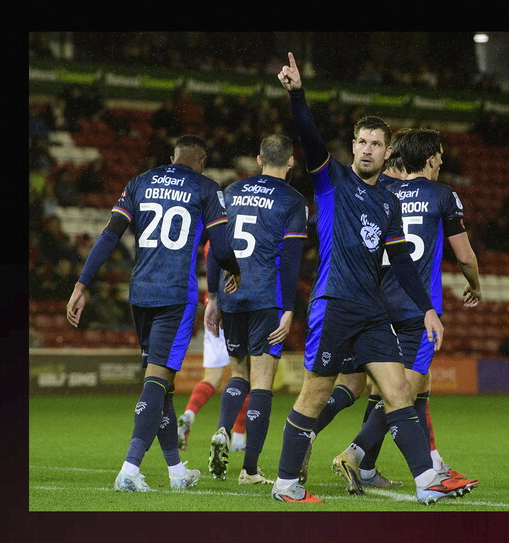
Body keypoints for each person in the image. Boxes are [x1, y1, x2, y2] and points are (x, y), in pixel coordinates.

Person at [270, 52, 474, 504]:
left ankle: (427, 483)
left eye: (374, 144)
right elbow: (308, 137)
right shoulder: (331, 180)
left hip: (372, 311)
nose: (365, 148)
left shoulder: (390, 202)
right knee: (316, 394)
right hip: (334, 303)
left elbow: (401, 262)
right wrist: (297, 95)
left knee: (399, 389)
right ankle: (286, 484)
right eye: (360, 141)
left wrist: (427, 311)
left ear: (386, 153)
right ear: (354, 145)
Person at [66, 135, 242, 493]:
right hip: (175, 297)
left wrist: (81, 284)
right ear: (202, 160)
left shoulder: (140, 182)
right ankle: (129, 469)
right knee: (158, 379)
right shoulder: (206, 188)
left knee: (162, 385)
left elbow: (109, 235)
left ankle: (176, 472)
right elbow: (221, 247)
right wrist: (235, 270)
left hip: (141, 293)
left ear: (172, 156)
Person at [335, 127, 483, 490]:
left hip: (375, 304)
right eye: (441, 156)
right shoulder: (443, 195)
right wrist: (475, 284)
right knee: (404, 390)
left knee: (388, 388)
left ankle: (381, 467)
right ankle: (354, 455)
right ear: (431, 159)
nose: (443, 161)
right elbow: (464, 255)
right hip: (414, 308)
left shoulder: (384, 191)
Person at [203, 134, 308, 485]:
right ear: (290, 162)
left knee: (238, 373)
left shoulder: (230, 192)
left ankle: (221, 429)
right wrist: (290, 308)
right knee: (263, 382)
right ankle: (249, 469)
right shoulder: (294, 200)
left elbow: (215, 247)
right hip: (268, 295)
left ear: (259, 159)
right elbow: (292, 258)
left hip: (232, 293)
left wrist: (214, 297)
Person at [177, 240, 251, 454]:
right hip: (237, 307)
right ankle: (238, 437)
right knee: (244, 374)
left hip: (213, 306)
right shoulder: (240, 231)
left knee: (212, 377)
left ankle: (189, 414)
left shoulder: (212, 240)